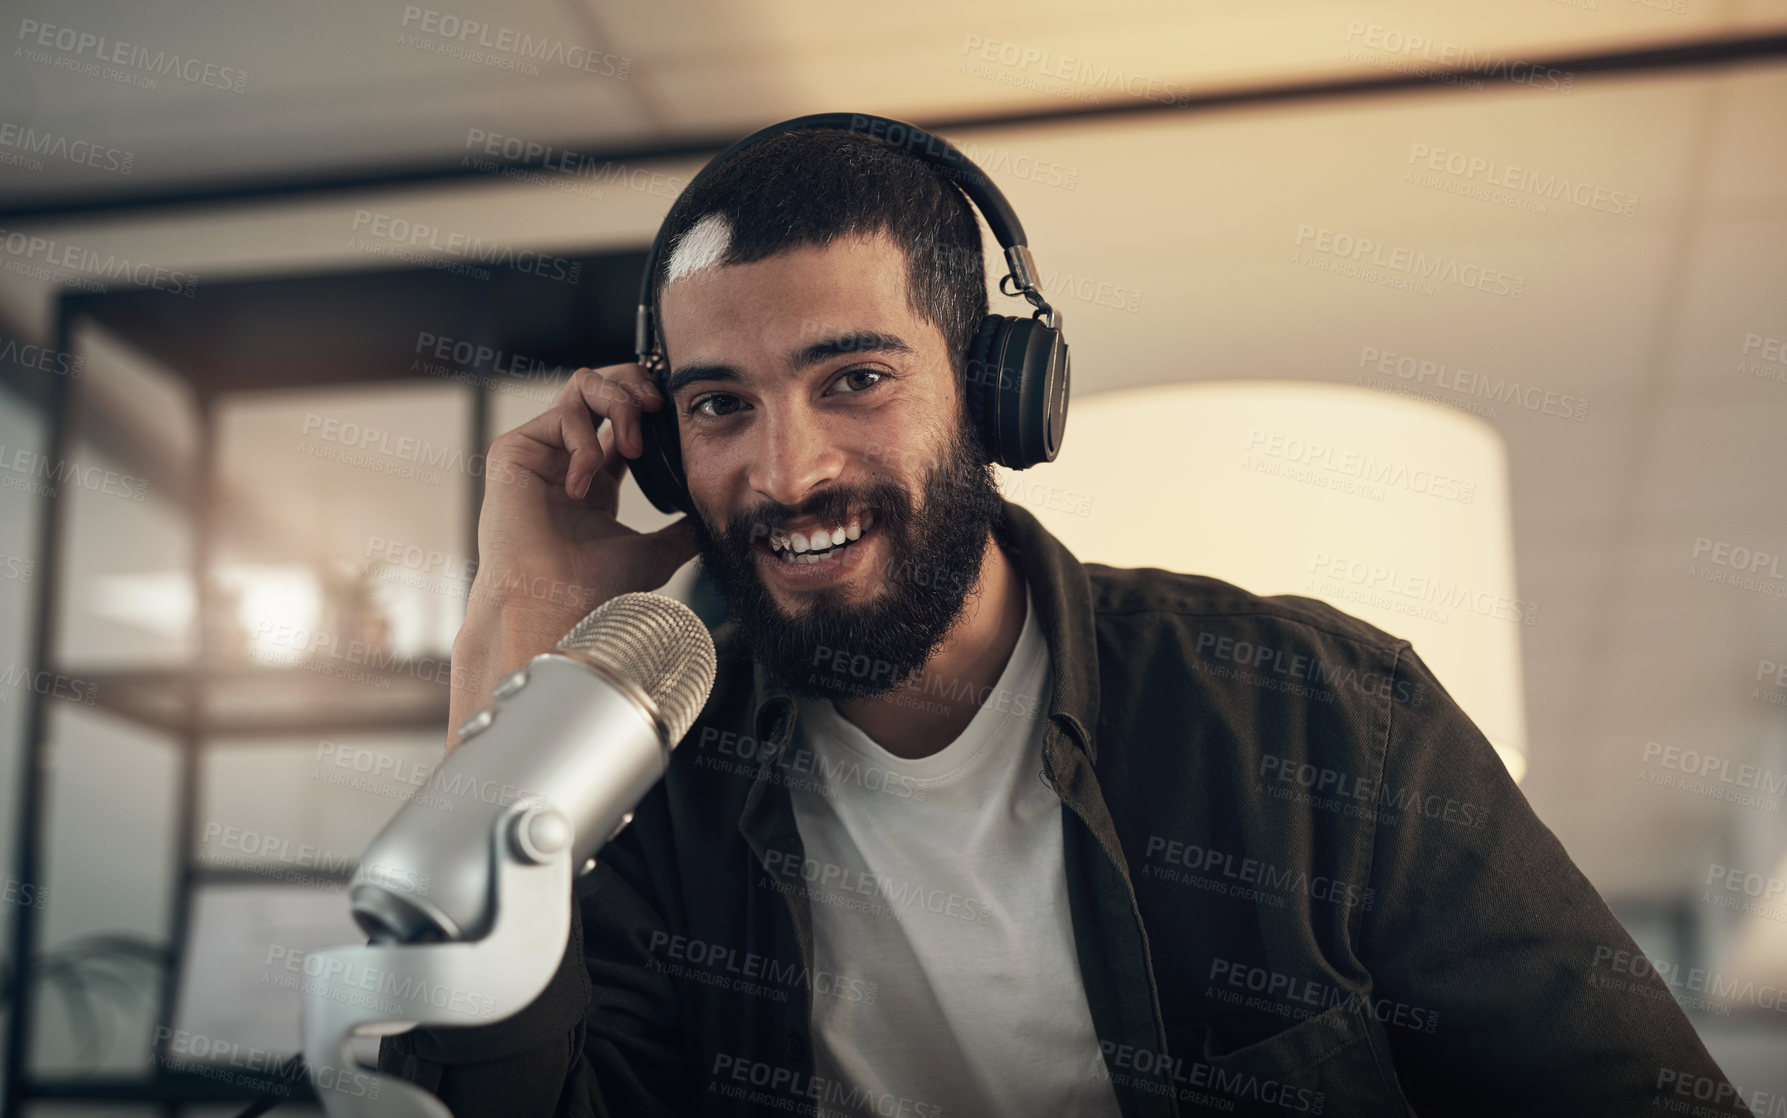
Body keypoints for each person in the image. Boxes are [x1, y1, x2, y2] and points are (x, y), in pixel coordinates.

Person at [378, 124, 1748, 1117]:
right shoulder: (645, 793)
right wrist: (521, 643)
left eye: (852, 377)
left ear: (996, 394)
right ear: (669, 450)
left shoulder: (1324, 714)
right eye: (721, 404)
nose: (784, 471)